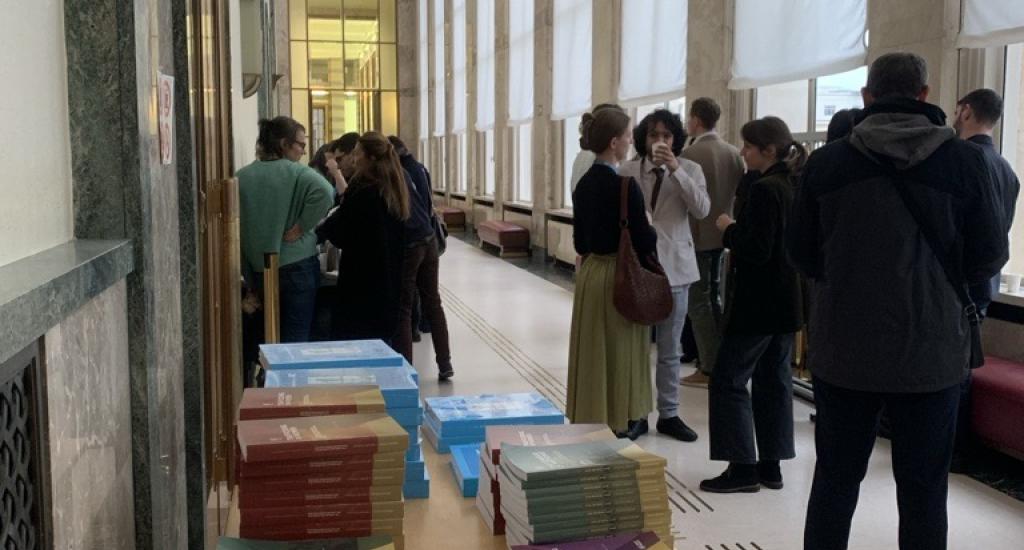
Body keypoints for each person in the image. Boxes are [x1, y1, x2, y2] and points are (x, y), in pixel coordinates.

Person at [788, 53, 1008, 550]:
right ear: (925, 95)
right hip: (932, 355)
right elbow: (989, 255)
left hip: (844, 350)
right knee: (924, 490)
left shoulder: (828, 164)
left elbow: (800, 253)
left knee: (835, 483)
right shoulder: (966, 163)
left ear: (867, 96)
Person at [699, 117, 805, 494]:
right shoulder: (795, 184)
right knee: (773, 382)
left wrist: (728, 227)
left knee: (728, 380)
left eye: (748, 146)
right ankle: (770, 464)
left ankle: (742, 467)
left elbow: (755, 249)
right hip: (786, 302)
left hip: (757, 304)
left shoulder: (765, 190)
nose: (742, 152)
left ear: (769, 150)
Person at [567, 105, 658, 440]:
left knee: (593, 349)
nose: (631, 141)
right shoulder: (626, 187)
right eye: (627, 136)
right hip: (620, 278)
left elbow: (580, 241)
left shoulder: (583, 185)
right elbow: (645, 240)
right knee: (621, 350)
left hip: (592, 275)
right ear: (614, 143)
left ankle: (591, 414)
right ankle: (620, 417)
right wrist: (649, 226)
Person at [620, 110, 710, 442]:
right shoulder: (628, 170)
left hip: (676, 268)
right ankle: (638, 412)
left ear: (676, 140)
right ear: (643, 138)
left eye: (667, 136)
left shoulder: (691, 169)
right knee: (638, 346)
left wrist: (675, 170)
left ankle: (669, 414)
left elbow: (702, 209)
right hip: (638, 267)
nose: (660, 141)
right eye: (653, 135)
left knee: (671, 349)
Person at [950, 88, 1021, 472]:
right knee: (963, 365)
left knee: (952, 370)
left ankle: (951, 448)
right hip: (985, 283)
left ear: (965, 111)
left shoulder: (962, 161)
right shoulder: (1007, 170)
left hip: (957, 280)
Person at [237, 116, 334, 343]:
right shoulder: (298, 173)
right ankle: (291, 379)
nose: (303, 151)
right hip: (298, 265)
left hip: (260, 270)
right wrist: (302, 226)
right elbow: (326, 192)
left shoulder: (241, 177)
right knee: (296, 339)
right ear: (284, 144)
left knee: (268, 338)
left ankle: (267, 378)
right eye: (300, 144)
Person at [317, 132, 411, 344]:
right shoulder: (393, 192)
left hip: (360, 287)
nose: (353, 158)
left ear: (371, 158)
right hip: (388, 286)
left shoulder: (363, 192)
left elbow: (339, 231)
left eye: (357, 154)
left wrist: (322, 229)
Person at [680, 98, 746, 387]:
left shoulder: (690, 154)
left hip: (697, 237)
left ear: (696, 119)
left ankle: (708, 366)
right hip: (724, 234)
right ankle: (719, 359)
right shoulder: (734, 154)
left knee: (698, 302)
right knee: (715, 297)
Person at [389, 136, 455, 380]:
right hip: (428, 238)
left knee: (403, 307)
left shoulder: (398, 174)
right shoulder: (420, 169)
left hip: (411, 243)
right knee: (433, 302)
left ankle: (406, 370)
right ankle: (445, 362)